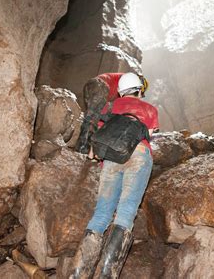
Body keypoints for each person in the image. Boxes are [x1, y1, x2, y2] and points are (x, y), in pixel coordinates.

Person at [71, 73, 158, 279]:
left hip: (111, 160)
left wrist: (91, 155)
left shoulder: (110, 108)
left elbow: (99, 137)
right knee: (126, 213)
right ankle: (107, 275)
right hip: (139, 154)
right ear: (140, 90)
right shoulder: (150, 109)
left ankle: (78, 274)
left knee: (101, 215)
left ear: (119, 91)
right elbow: (151, 134)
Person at [76, 72, 149, 155]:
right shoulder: (127, 83)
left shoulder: (121, 83)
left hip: (94, 85)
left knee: (92, 118)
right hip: (101, 86)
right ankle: (83, 149)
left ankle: (85, 148)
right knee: (92, 119)